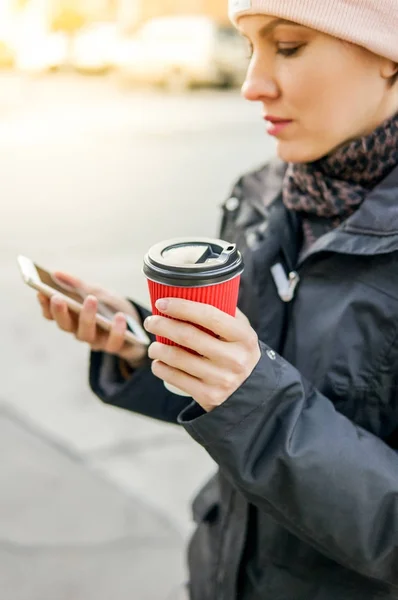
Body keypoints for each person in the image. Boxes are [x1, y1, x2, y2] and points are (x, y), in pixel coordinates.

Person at [37, 0, 398, 598]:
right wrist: (141, 343)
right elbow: (239, 392)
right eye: (250, 47)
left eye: (287, 47)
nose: (253, 84)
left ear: (388, 58)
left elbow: (258, 397)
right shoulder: (263, 194)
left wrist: (255, 397)